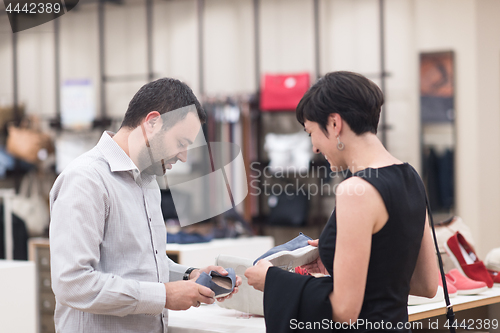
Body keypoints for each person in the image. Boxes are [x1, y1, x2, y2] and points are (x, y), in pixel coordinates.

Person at [245, 71, 439, 332]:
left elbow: (345, 310)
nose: (314, 147)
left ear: (335, 124)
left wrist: (272, 279)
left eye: (311, 132)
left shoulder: (355, 190)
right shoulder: (411, 177)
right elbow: (426, 285)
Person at [50, 78, 241, 333]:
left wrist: (189, 276)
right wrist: (163, 296)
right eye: (181, 142)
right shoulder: (86, 180)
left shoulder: (148, 181)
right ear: (152, 122)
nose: (183, 156)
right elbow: (73, 284)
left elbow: (141, 266)